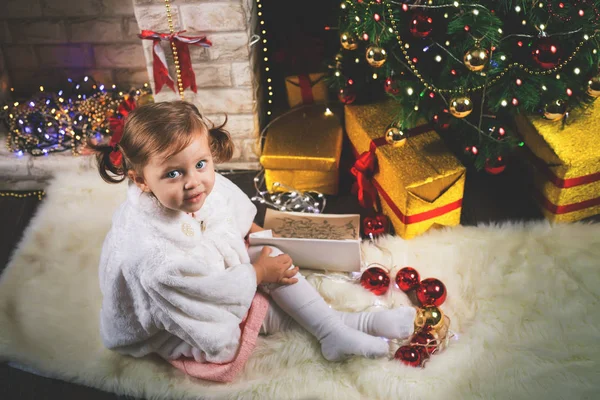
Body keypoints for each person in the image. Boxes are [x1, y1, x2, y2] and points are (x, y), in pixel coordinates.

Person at [92, 101, 416, 382]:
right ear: (141, 181)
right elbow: (201, 293)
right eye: (173, 174)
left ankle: (337, 329)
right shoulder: (153, 256)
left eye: (201, 165)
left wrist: (255, 234)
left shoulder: (197, 185)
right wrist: (258, 274)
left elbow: (226, 204)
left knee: (268, 252)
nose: (193, 183)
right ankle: (348, 326)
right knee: (254, 303)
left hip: (201, 272)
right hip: (170, 323)